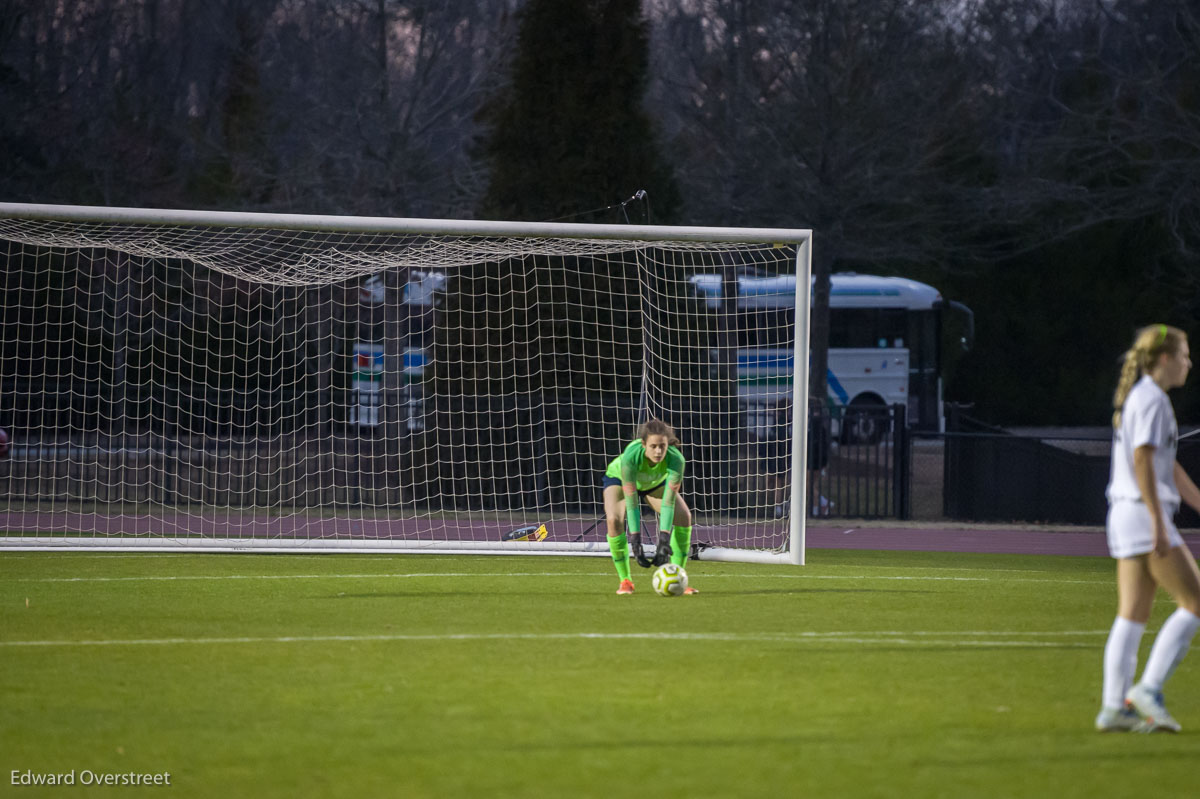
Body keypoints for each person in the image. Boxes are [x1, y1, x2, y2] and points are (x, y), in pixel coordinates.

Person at [1096, 324, 1200, 733]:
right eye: (1186, 355)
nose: (1189, 363)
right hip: (1142, 514)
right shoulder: (1152, 400)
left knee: (1133, 615)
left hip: (1126, 513)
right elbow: (1142, 462)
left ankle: (1112, 708)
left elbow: (1166, 466)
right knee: (1195, 601)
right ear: (1166, 359)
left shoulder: (1144, 398)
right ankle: (1148, 689)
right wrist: (1159, 522)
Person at [602, 419, 698, 595]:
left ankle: (678, 576)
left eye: (662, 446)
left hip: (654, 484)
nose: (658, 451)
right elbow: (632, 503)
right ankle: (625, 581)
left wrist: (664, 539)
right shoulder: (631, 456)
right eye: (653, 446)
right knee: (613, 519)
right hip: (619, 479)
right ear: (643, 444)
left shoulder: (677, 460)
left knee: (684, 517)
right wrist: (636, 540)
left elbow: (668, 503)